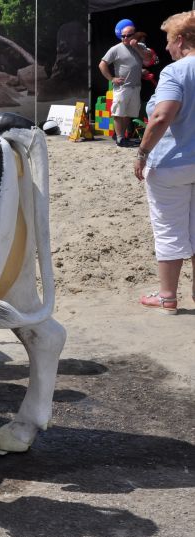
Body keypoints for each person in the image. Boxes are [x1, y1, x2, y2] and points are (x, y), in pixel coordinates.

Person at [133, 11, 195, 314]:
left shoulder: (176, 72)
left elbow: (161, 115)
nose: (167, 48)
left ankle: (168, 296)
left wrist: (142, 152)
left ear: (180, 39)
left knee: (169, 228)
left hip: (173, 161)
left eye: (169, 41)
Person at [99, 22, 156, 146]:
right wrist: (112, 78)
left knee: (128, 113)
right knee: (119, 113)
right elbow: (102, 64)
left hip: (135, 86)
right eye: (122, 36)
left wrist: (136, 47)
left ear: (134, 35)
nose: (125, 38)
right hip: (122, 87)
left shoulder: (140, 45)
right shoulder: (116, 48)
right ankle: (120, 138)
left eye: (128, 35)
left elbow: (147, 60)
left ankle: (121, 136)